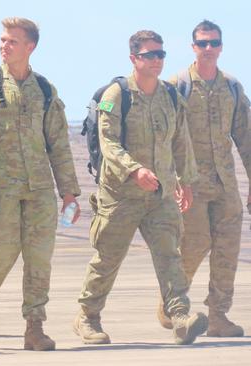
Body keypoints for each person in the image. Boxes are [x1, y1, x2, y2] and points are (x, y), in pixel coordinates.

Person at [73, 30, 207, 346]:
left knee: (169, 256)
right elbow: (108, 142)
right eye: (150, 55)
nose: (157, 60)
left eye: (161, 54)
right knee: (107, 258)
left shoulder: (170, 96)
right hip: (120, 195)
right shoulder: (117, 95)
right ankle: (87, 317)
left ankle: (180, 318)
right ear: (134, 58)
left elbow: (180, 140)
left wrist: (185, 180)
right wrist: (134, 171)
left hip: (160, 195)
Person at [0, 17, 81, 351]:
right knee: (3, 249)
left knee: (40, 256)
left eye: (12, 41)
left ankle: (35, 327)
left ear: (30, 47)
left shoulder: (44, 89)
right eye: (2, 40)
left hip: (40, 186)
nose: (4, 46)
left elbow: (58, 142)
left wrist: (68, 191)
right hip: (1, 186)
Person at [156, 20, 251, 337]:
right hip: (190, 184)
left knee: (227, 249)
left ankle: (219, 316)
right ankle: (173, 303)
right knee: (194, 245)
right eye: (202, 43)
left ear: (221, 46)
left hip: (226, 185)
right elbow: (164, 138)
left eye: (214, 43)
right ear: (193, 47)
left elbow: (246, 138)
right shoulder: (176, 85)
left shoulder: (233, 88)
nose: (208, 49)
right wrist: (171, 182)